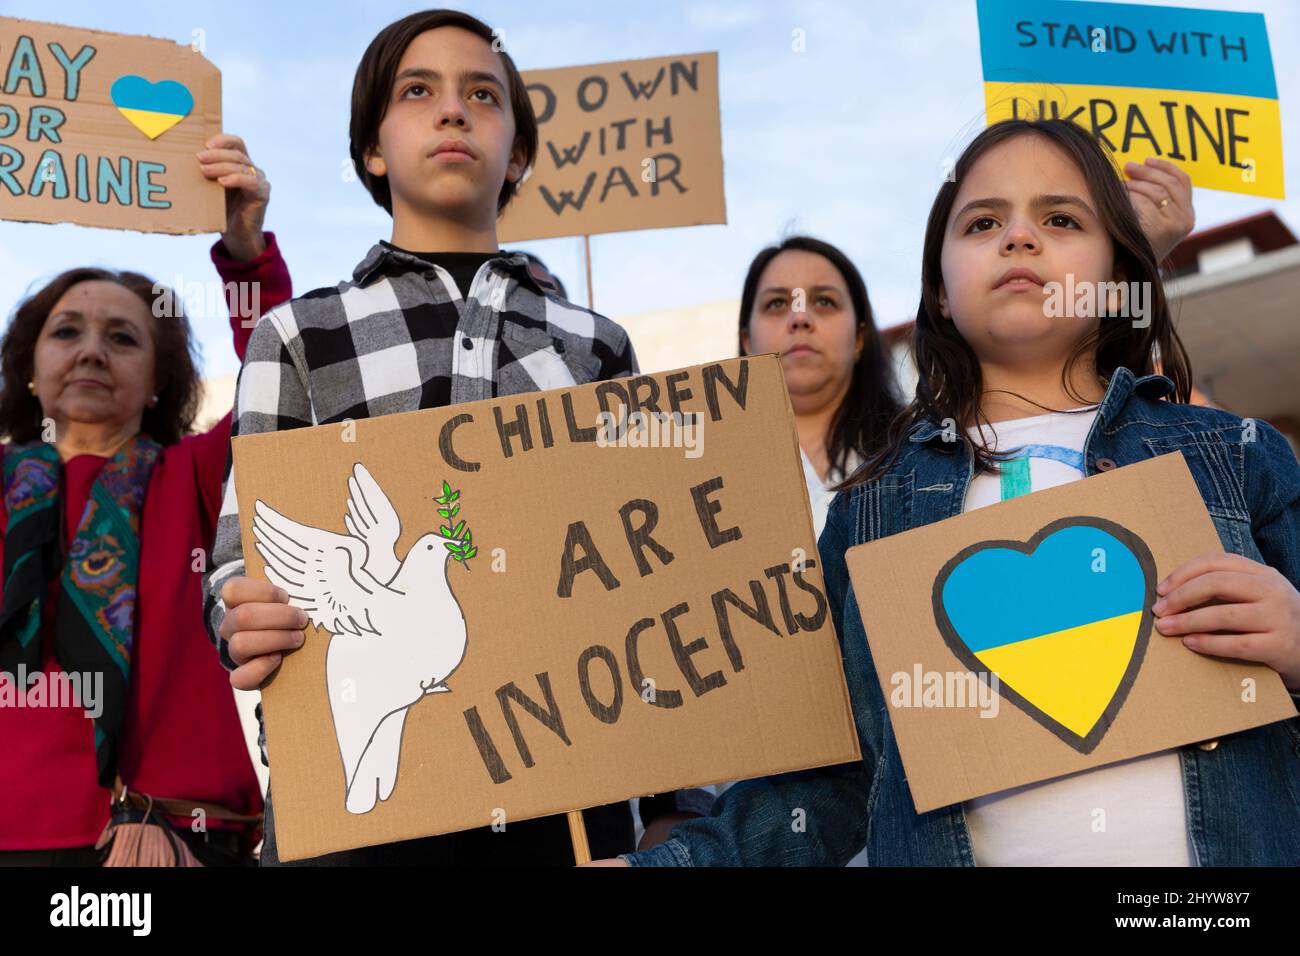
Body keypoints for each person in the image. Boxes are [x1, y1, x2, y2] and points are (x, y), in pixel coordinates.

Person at [602, 118, 1300, 867]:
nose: (1020, 238)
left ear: (1121, 275)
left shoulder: (1235, 454)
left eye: (1061, 218)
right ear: (938, 288)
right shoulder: (870, 510)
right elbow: (837, 782)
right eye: (984, 221)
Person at [203, 8, 708, 866]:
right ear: (372, 147)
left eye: (483, 93)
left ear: (515, 152)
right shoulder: (295, 336)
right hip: (363, 818)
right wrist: (240, 615)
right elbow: (241, 557)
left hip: (569, 803)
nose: (452, 110)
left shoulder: (596, 344)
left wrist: (671, 806)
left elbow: (653, 576)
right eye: (417, 91)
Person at [0, 134, 291, 866]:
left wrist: (247, 251)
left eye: (123, 337)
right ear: (30, 367)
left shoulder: (194, 475)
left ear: (159, 379)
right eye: (66, 331)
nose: (92, 350)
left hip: (163, 840)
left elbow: (280, 381)